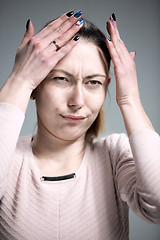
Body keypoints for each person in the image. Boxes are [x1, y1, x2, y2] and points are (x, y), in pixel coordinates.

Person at [0, 10, 160, 240]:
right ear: (35, 85)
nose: (78, 101)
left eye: (93, 82)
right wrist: (20, 80)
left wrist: (130, 100)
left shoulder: (115, 155)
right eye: (61, 78)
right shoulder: (8, 160)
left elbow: (156, 206)